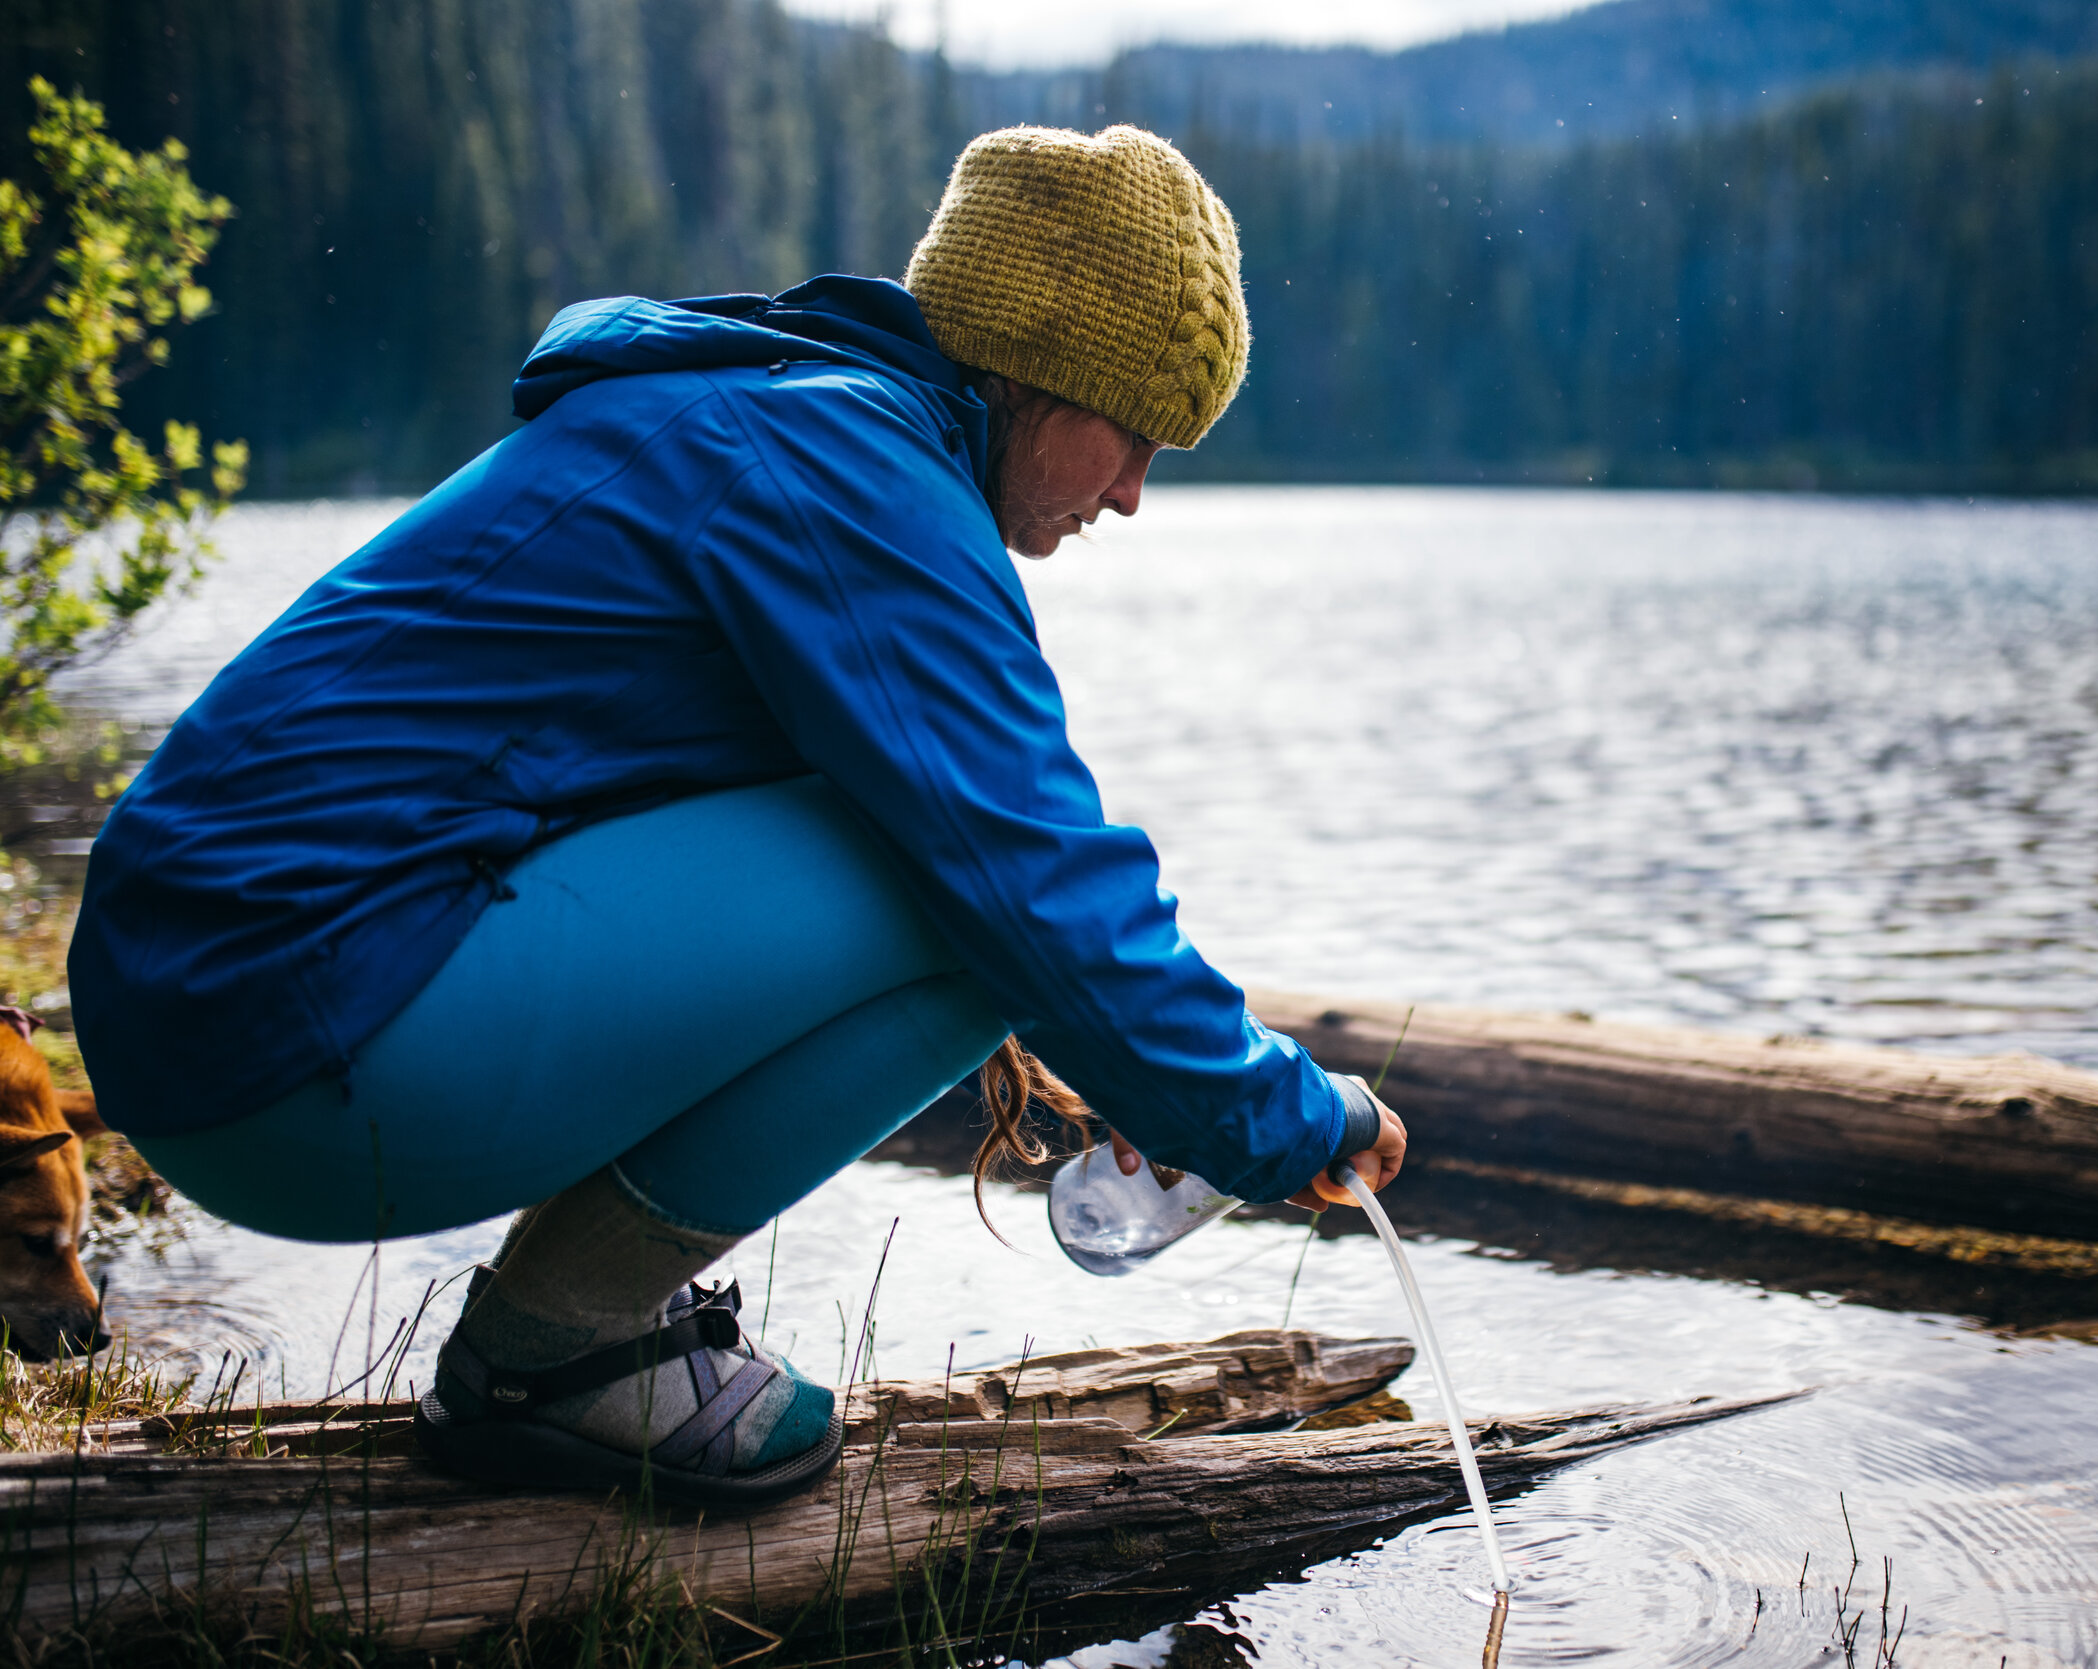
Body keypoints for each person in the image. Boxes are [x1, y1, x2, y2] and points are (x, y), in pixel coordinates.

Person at [66, 125, 1408, 1507]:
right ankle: (557, 1353)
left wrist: (1128, 1065)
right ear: (1042, 365)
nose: (1130, 494)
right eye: (1135, 436)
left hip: (201, 997)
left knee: (934, 858)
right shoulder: (854, 479)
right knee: (961, 908)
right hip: (275, 1039)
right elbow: (1042, 890)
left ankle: (573, 1341)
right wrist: (1285, 1117)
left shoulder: (776, 410)